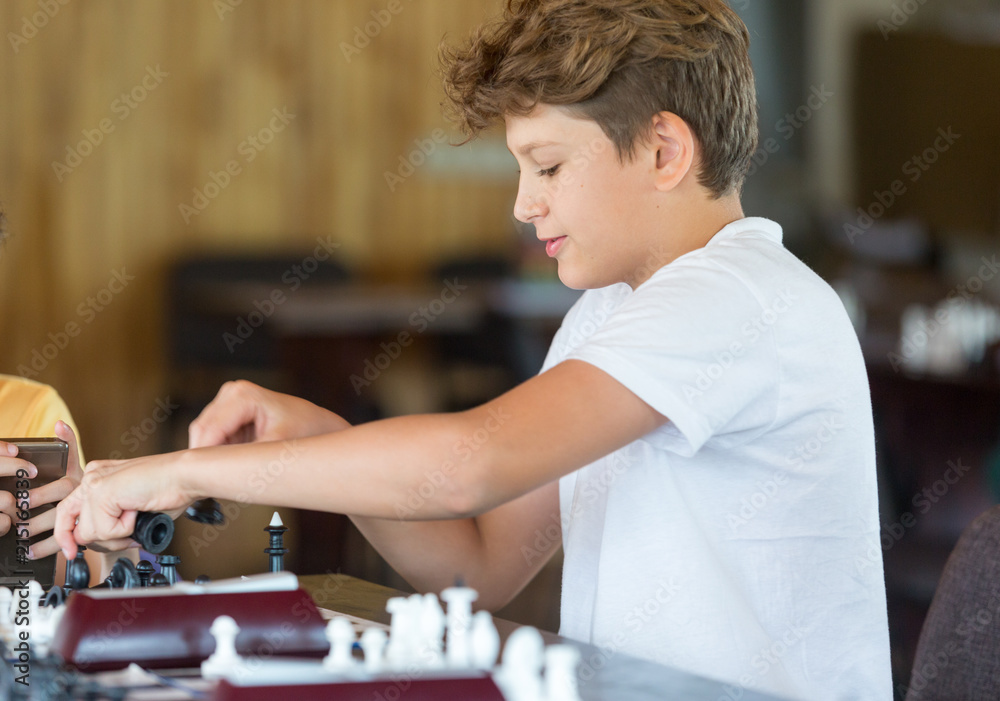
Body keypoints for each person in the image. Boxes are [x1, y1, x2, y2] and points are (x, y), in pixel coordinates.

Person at [54, 1, 891, 697]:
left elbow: (469, 463)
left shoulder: (736, 296)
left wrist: (184, 471)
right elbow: (481, 565)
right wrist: (321, 434)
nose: (524, 205)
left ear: (665, 152)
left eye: (548, 167)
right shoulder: (610, 311)